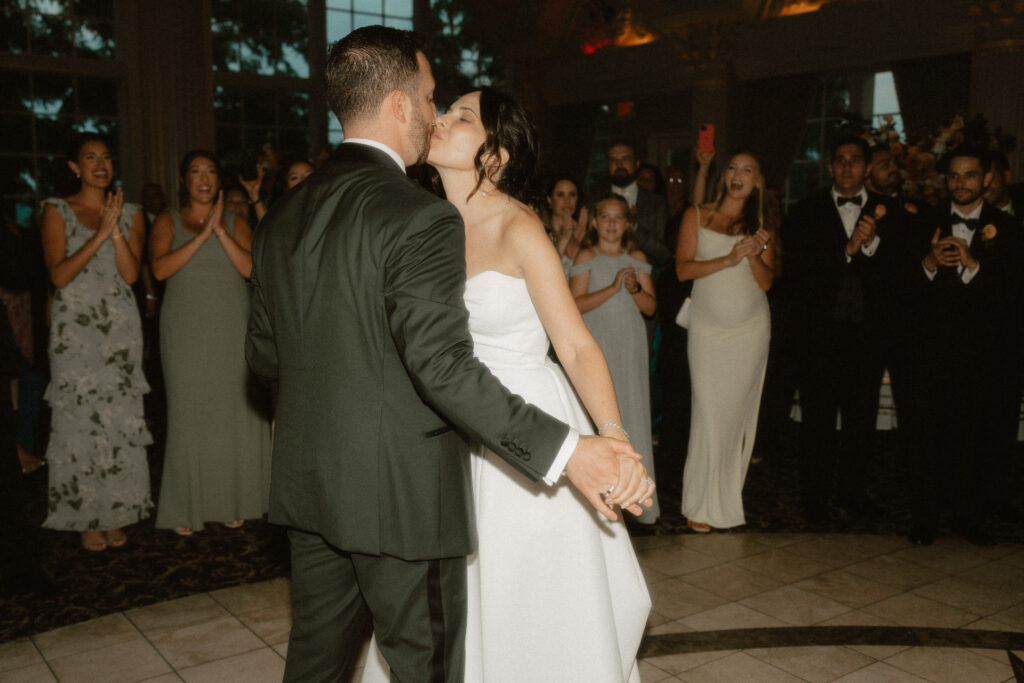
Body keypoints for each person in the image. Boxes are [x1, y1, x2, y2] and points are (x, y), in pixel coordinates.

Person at [245, 26, 651, 683]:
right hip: (419, 463)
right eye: (437, 100)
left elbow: (267, 356)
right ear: (400, 105)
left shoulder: (285, 213)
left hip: (360, 469)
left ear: (495, 153)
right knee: (427, 657)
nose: (439, 114)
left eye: (459, 112)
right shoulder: (419, 215)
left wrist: (610, 434)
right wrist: (568, 451)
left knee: (327, 659)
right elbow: (434, 363)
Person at [39, 134, 152, 552]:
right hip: (76, 333)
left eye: (106, 157)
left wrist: (117, 229)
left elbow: (128, 275)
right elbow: (59, 275)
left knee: (118, 419)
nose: (100, 164)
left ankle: (118, 509)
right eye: (90, 157)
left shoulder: (134, 213)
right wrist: (100, 233)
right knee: (80, 422)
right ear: (75, 166)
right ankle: (86, 512)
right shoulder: (56, 211)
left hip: (121, 332)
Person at [150, 150, 271, 536]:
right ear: (184, 180)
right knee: (190, 415)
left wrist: (219, 230)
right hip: (185, 330)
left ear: (219, 180)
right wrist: (202, 234)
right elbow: (160, 268)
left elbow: (252, 269)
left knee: (233, 414)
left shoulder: (236, 220)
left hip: (231, 327)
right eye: (195, 172)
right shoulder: (168, 219)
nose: (203, 179)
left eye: (211, 172)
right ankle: (187, 507)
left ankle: (234, 500)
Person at [905, 147, 1021, 546]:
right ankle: (924, 518)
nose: (961, 184)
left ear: (986, 179)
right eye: (954, 176)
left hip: (980, 353)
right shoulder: (925, 222)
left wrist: (974, 265)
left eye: (969, 176)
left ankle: (967, 517)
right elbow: (899, 288)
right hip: (929, 350)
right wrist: (929, 264)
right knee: (924, 434)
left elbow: (1012, 292)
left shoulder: (1008, 227)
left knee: (972, 436)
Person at [785, 136, 902, 524]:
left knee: (860, 422)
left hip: (866, 338)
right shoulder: (805, 212)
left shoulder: (893, 212)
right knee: (816, 421)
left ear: (867, 168)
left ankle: (853, 495)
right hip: (819, 336)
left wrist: (870, 249)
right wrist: (847, 250)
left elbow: (897, 277)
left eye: (855, 160)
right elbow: (797, 270)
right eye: (840, 160)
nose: (847, 167)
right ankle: (815, 501)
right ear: (831, 167)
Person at [675, 152, 775, 531]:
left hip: (750, 331)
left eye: (747, 170)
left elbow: (767, 283)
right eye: (732, 168)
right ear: (724, 176)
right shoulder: (696, 215)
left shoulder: (763, 226)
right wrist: (729, 258)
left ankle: (726, 503)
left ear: (757, 182)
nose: (738, 175)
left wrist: (752, 255)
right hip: (708, 331)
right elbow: (683, 269)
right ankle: (698, 505)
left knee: (733, 418)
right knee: (707, 413)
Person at [571, 194, 660, 527]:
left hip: (629, 342)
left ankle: (638, 501)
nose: (611, 224)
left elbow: (651, 308)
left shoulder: (635, 257)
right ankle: (598, 499)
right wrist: (611, 288)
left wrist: (635, 289)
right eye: (605, 217)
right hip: (597, 343)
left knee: (632, 411)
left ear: (628, 223)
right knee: (599, 415)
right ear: (594, 221)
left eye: (618, 217)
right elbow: (574, 306)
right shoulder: (586, 255)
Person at [541, 176, 587, 272]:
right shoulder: (540, 231)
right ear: (549, 199)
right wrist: (566, 235)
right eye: (560, 195)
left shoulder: (583, 232)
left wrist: (576, 241)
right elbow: (545, 270)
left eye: (572, 194)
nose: (567, 200)